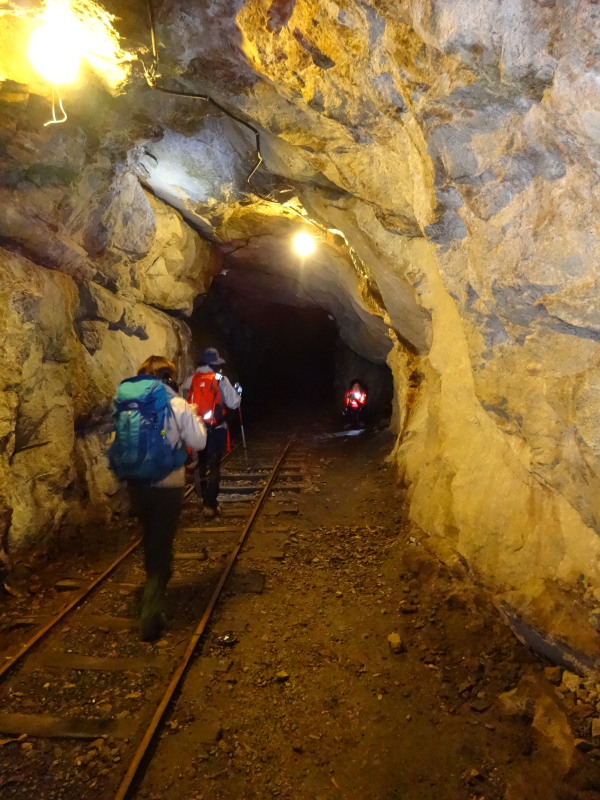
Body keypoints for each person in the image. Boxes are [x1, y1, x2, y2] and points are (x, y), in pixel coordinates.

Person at [110, 355, 206, 641]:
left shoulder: (129, 403)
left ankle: (154, 579)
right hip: (167, 483)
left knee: (150, 536)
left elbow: (118, 440)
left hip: (137, 483)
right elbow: (199, 440)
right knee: (162, 544)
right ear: (168, 376)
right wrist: (194, 414)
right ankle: (151, 616)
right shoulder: (175, 403)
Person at [184, 347, 241, 518]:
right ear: (212, 364)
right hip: (216, 429)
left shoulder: (190, 379)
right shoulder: (220, 379)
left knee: (201, 463)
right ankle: (210, 503)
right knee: (214, 466)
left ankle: (203, 497)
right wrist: (238, 392)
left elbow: (182, 399)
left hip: (196, 429)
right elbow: (234, 403)